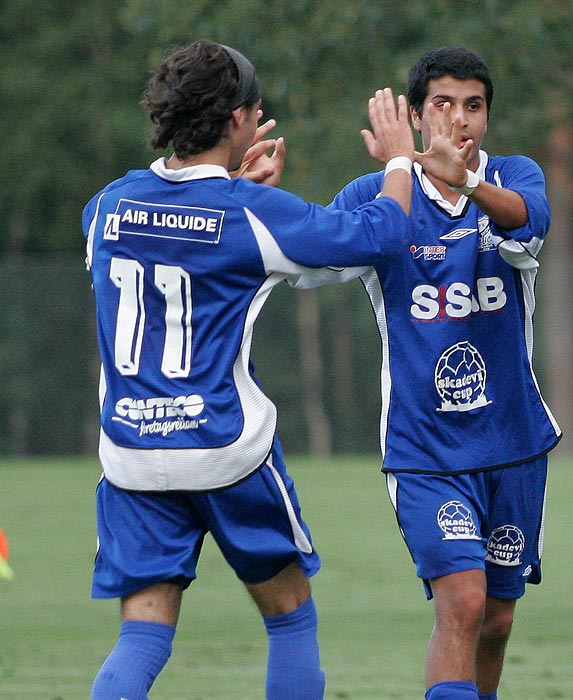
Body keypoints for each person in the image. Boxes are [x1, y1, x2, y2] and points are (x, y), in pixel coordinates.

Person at [81, 39, 414, 700]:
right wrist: (399, 159)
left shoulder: (104, 207)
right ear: (237, 120)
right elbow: (381, 235)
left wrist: (231, 187)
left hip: (131, 456)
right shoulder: (247, 213)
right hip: (225, 453)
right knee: (289, 618)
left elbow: (175, 225)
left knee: (142, 636)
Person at [292, 46, 561, 700]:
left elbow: (529, 227)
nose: (458, 119)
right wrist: (250, 198)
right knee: (462, 604)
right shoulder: (381, 195)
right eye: (442, 104)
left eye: (473, 106)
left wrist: (465, 182)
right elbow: (305, 263)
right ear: (413, 115)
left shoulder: (512, 179)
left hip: (513, 443)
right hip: (425, 450)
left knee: (495, 619)